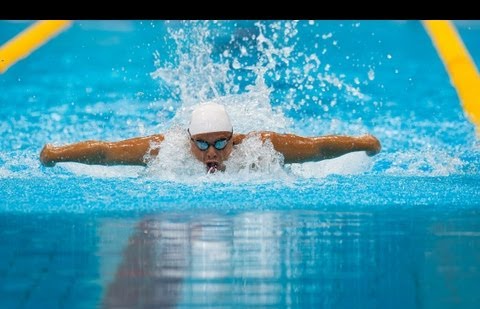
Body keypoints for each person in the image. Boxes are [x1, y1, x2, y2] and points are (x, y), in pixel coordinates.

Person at [40, 102, 381, 173]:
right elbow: (106, 153)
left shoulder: (258, 147)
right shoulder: (167, 149)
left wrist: (363, 143)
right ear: (188, 141)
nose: (212, 153)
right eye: (202, 144)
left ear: (235, 139)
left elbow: (317, 147)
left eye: (222, 143)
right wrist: (55, 153)